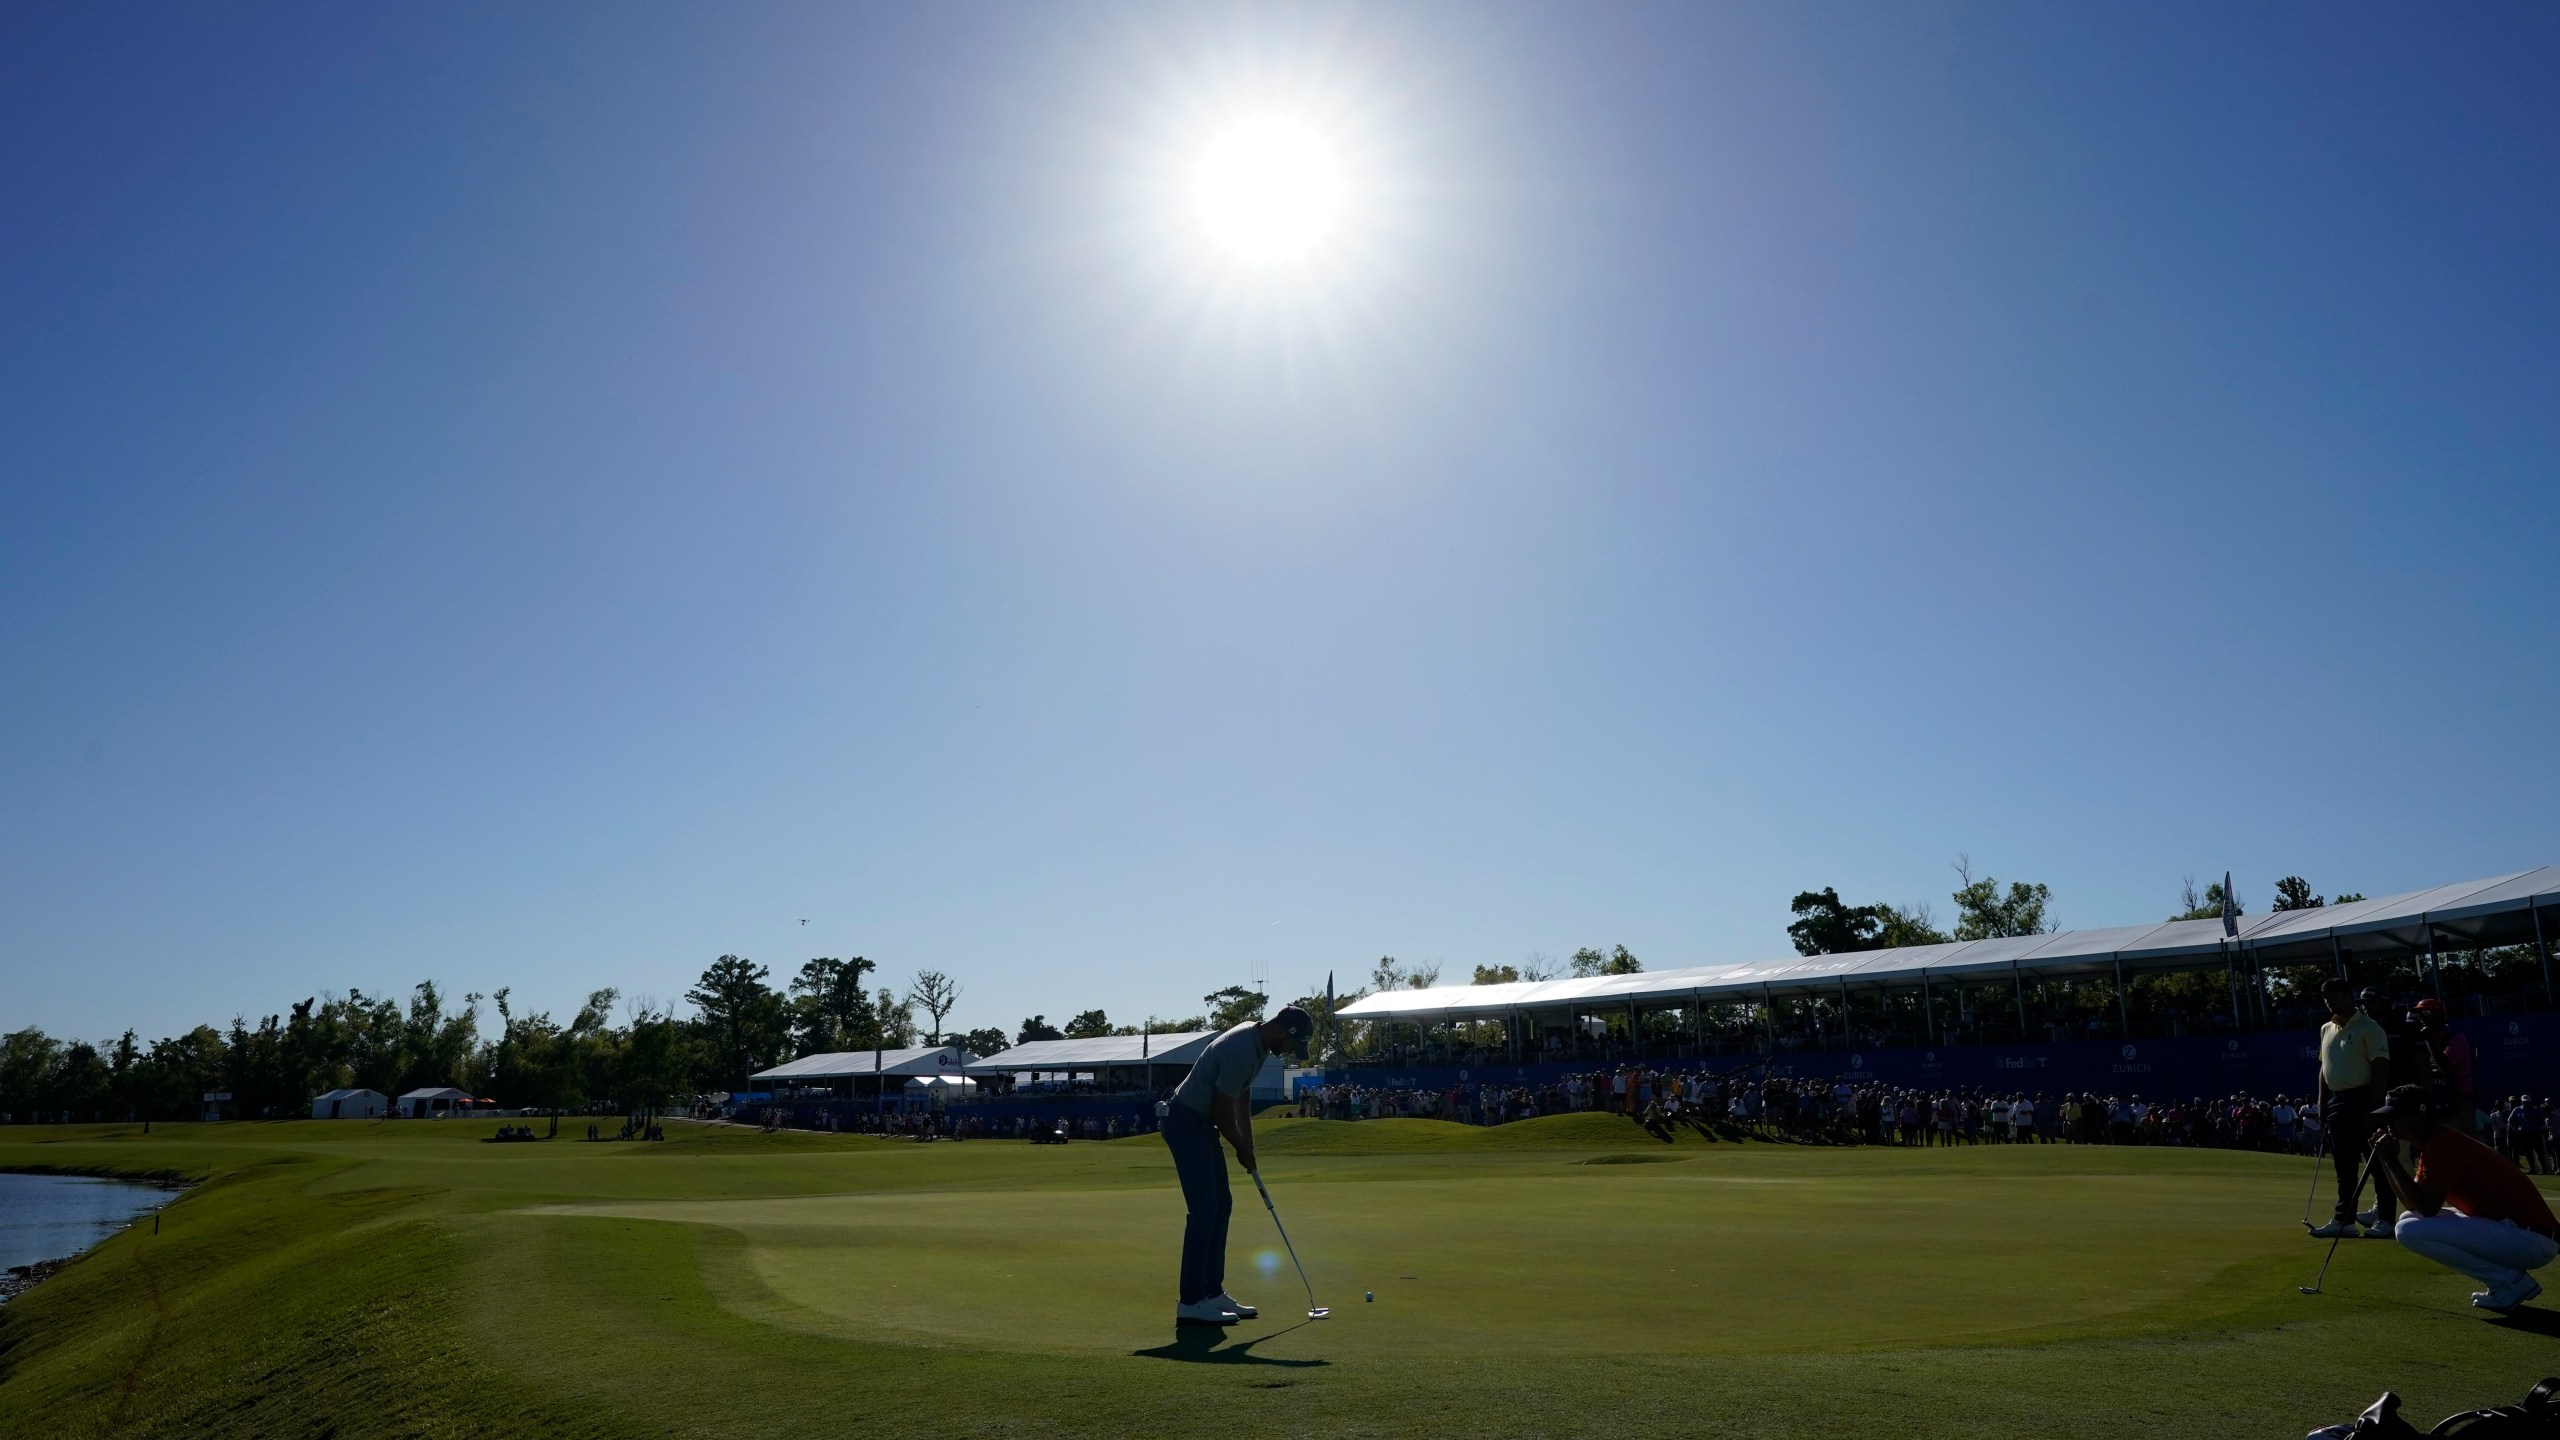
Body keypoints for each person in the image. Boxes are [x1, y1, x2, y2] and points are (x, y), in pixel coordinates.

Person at [1160, 1004, 1316, 1327]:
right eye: (1292, 1045)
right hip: (1187, 1122)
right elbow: (1220, 1111)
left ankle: (1212, 1292)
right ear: (1282, 1031)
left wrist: (1250, 1143)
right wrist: (1239, 1147)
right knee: (1204, 1209)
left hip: (1201, 1125)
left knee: (1222, 1204)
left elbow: (1241, 1097)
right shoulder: (1245, 1048)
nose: (1289, 1053)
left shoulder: (1257, 1044)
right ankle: (1191, 1301)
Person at [2371, 1084, 2559, 1313]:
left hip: (2530, 1238)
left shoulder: (2443, 1144)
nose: (2387, 1123)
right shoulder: (2436, 1143)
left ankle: (2510, 1282)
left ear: (2418, 1116)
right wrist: (2385, 1160)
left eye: (2395, 1116)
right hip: (2520, 1233)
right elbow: (2415, 1205)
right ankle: (2507, 1282)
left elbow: (2427, 1208)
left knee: (2408, 1230)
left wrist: (2390, 1161)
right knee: (2408, 1218)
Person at [2311, 978, 2394, 1239]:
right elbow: (2324, 1071)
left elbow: (2381, 1070)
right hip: (2337, 1101)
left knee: (2377, 1163)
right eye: (2326, 996)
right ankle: (2344, 1221)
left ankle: (2386, 1219)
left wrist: (2375, 1107)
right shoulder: (2326, 1028)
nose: (2330, 1000)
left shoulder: (2370, 1028)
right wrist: (2322, 1104)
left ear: (2349, 995)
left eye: (2335, 995)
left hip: (2365, 1099)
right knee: (2344, 1166)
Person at [2413, 999, 2477, 1135]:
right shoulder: (2421, 1041)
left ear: (2440, 1016)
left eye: (2426, 1013)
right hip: (2433, 1099)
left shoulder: (2457, 1038)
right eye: (2419, 1015)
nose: (2423, 1018)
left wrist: (2429, 1040)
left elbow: (2445, 1066)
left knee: (2462, 1145)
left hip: (2457, 1100)